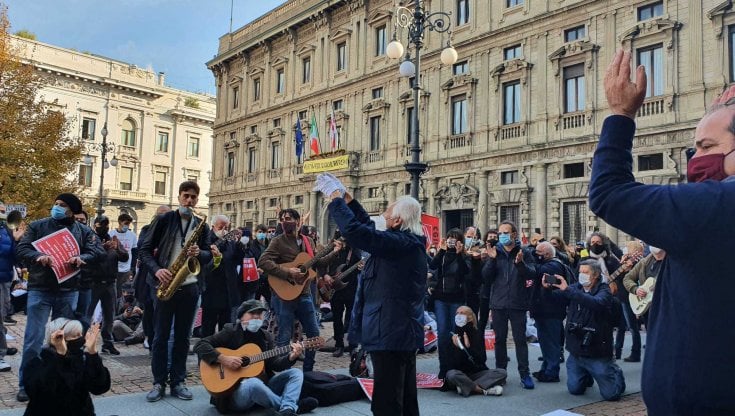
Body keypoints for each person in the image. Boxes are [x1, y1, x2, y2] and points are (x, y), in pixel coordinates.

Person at [592, 49, 735, 415]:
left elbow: (609, 193)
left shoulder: (719, 205)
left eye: (706, 147)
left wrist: (621, 115)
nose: (694, 160)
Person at [316, 172, 426, 416]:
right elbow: (366, 226)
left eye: (388, 210)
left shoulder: (400, 244)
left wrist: (335, 201)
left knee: (387, 401)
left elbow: (358, 232)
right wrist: (349, 200)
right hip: (393, 331)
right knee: (402, 396)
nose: (384, 214)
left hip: (392, 332)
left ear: (397, 221)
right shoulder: (401, 242)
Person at [15, 193, 105, 402]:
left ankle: (59, 380)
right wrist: (38, 256)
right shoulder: (38, 226)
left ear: (72, 210)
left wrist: (81, 258)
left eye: (62, 205)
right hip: (40, 289)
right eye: (55, 204)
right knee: (33, 339)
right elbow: (22, 247)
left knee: (63, 339)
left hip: (68, 290)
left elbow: (97, 251)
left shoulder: (82, 230)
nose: (56, 207)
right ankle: (26, 384)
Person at [139, 181, 212, 402]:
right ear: (179, 197)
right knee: (160, 337)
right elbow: (143, 250)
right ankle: (158, 382)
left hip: (189, 286)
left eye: (193, 197)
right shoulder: (165, 219)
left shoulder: (202, 225)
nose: (189, 201)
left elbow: (209, 257)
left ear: (197, 200)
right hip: (164, 284)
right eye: (186, 196)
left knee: (182, 338)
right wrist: (157, 270)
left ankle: (178, 381)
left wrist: (200, 252)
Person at [194, 299, 318, 415]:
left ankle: (287, 408)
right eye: (252, 313)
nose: (257, 317)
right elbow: (201, 345)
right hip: (234, 394)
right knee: (252, 383)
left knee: (296, 373)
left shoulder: (265, 337)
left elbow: (275, 364)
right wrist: (223, 359)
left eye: (260, 314)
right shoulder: (230, 331)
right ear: (241, 316)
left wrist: (291, 357)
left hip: (264, 387)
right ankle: (290, 407)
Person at [258, 208, 339, 373]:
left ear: (297, 221)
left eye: (287, 218)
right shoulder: (278, 241)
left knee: (314, 335)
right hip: (284, 295)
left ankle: (308, 371)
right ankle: (283, 372)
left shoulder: (309, 241)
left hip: (304, 294)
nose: (284, 221)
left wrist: (335, 251)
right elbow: (263, 261)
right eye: (282, 219)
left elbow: (319, 262)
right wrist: (288, 271)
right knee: (284, 336)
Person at [546, 260, 625, 401]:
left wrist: (568, 290)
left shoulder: (604, 290)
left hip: (597, 350)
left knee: (611, 395)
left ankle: (615, 373)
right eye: (580, 272)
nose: (582, 275)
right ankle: (586, 374)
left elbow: (596, 303)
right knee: (575, 389)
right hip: (576, 350)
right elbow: (555, 298)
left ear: (595, 275)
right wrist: (547, 288)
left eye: (586, 272)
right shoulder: (576, 287)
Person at [481, 220, 537, 389]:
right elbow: (486, 278)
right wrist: (490, 260)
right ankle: (500, 373)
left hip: (517, 302)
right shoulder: (495, 252)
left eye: (506, 232)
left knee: (520, 340)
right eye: (501, 233)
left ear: (514, 234)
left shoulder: (524, 252)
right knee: (499, 340)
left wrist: (520, 264)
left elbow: (532, 274)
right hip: (498, 303)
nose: (503, 236)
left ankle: (525, 374)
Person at [23, 318, 111, 415]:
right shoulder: (37, 362)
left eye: (80, 334)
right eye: (74, 336)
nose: (80, 338)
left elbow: (99, 387)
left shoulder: (82, 360)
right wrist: (60, 356)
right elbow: (41, 393)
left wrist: (93, 353)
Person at [428, 229, 470, 379]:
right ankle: (443, 367)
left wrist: (459, 254)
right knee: (443, 332)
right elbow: (433, 265)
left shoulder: (465, 255)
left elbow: (466, 272)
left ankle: (455, 366)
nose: (452, 241)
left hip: (456, 299)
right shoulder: (443, 254)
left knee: (455, 332)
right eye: (450, 238)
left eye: (455, 239)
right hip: (441, 298)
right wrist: (441, 250)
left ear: (460, 241)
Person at [86, 215, 128, 355]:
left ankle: (107, 343)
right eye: (101, 224)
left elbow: (125, 257)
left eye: (106, 224)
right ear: (95, 225)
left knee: (109, 315)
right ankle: (83, 342)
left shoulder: (113, 239)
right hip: (94, 282)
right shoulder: (90, 239)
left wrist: (117, 248)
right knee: (88, 314)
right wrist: (102, 248)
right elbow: (89, 257)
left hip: (110, 282)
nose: (104, 227)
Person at [201, 215, 249, 336]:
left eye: (226, 227)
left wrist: (239, 244)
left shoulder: (230, 241)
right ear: (213, 227)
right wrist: (223, 239)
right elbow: (209, 257)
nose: (224, 230)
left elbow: (238, 259)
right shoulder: (207, 239)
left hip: (228, 289)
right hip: (212, 289)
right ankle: (206, 352)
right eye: (221, 227)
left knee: (226, 327)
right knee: (208, 326)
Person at [445, 306, 507, 397]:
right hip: (460, 374)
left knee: (502, 372)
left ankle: (466, 386)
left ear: (470, 317)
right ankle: (482, 390)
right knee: (451, 375)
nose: (458, 315)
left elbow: (481, 360)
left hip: (475, 374)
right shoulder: (453, 335)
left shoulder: (476, 334)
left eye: (462, 313)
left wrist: (468, 348)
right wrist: (458, 348)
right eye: (457, 313)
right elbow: (450, 364)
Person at [133, 205, 171, 348]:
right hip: (148, 274)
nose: (163, 218)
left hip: (166, 274)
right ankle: (149, 337)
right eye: (161, 215)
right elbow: (143, 246)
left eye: (166, 215)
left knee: (161, 310)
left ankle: (160, 339)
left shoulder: (173, 232)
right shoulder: (147, 229)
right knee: (149, 308)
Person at [531, 241, 568, 383]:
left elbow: (538, 272)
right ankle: (546, 369)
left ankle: (552, 372)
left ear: (547, 254)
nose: (536, 255)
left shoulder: (553, 265)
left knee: (551, 342)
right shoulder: (551, 264)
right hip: (545, 309)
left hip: (551, 310)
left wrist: (529, 261)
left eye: (538, 253)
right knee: (545, 341)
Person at [320, 233, 362, 357]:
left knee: (351, 318)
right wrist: (325, 275)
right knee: (337, 318)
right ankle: (339, 345)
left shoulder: (355, 250)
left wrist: (360, 268)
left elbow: (361, 266)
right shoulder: (331, 248)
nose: (341, 242)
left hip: (350, 287)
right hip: (334, 288)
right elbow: (320, 263)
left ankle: (352, 345)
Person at [0, 202, 23, 372]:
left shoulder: (7, 231)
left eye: (3, 211)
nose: (3, 214)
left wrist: (17, 240)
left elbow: (15, 258)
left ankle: (1, 351)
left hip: (3, 279)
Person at [622, 245, 666, 331]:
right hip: (647, 307)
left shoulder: (672, 264)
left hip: (664, 306)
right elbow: (627, 278)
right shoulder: (643, 262)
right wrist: (635, 289)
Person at [109, 213, 138, 298]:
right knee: (112, 292)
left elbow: (134, 251)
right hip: (113, 268)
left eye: (128, 224)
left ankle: (119, 308)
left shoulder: (132, 235)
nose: (127, 226)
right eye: (125, 223)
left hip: (126, 269)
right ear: (119, 222)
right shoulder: (111, 234)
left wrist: (132, 268)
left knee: (122, 293)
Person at [477, 229, 498, 332]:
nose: (493, 239)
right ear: (486, 239)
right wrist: (482, 259)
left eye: (495, 237)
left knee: (497, 320)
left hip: (497, 290)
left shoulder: (500, 251)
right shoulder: (481, 251)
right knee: (483, 319)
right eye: (490, 237)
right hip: (485, 290)